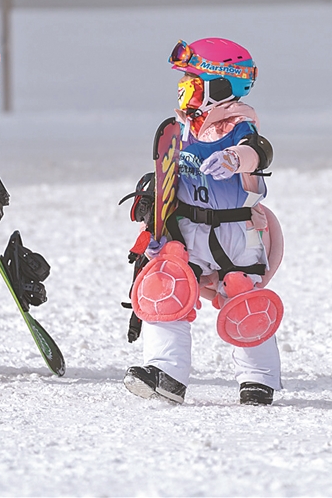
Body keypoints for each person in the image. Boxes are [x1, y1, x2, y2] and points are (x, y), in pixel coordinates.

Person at [123, 38, 284, 405]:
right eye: (185, 85)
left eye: (194, 84)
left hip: (235, 232)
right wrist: (157, 220)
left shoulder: (238, 125)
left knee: (242, 295)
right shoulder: (184, 128)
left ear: (221, 87)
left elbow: (259, 151)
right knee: (166, 288)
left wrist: (234, 159)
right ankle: (166, 373)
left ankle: (258, 379)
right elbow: (168, 176)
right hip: (189, 229)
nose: (186, 93)